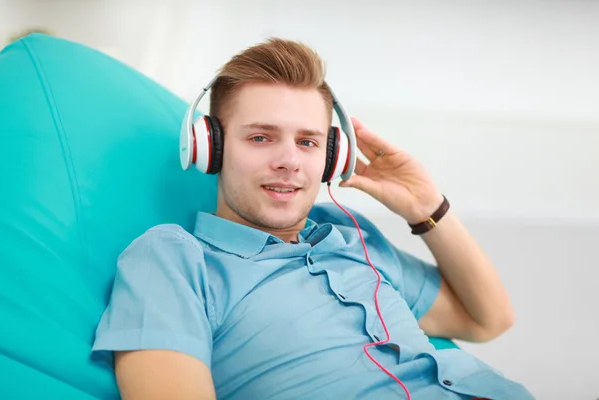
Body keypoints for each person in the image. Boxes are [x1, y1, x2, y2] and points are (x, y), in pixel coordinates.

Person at [91, 38, 534, 400]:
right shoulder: (173, 258)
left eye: (308, 142)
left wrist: (426, 208)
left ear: (332, 156)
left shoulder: (352, 236)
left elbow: (487, 319)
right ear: (211, 148)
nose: (289, 161)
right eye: (261, 137)